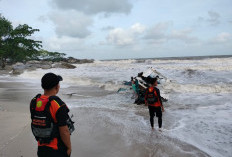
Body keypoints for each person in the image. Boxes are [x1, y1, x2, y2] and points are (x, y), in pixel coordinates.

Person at [30, 73, 74, 157]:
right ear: (57, 87)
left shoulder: (34, 101)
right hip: (57, 149)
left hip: (41, 147)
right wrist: (69, 147)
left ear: (43, 86)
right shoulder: (58, 104)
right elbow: (64, 131)